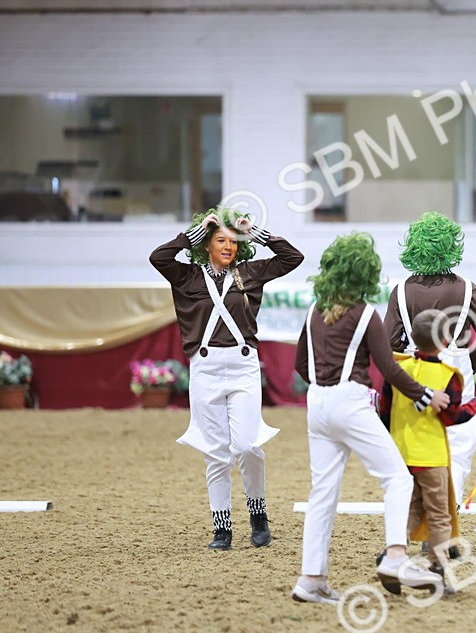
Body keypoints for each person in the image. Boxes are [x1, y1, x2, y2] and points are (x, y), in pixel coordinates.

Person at [292, 232, 446, 604]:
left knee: (322, 494)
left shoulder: (315, 310)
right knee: (396, 477)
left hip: (318, 403)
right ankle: (396, 556)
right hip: (350, 400)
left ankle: (311, 579)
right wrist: (426, 395)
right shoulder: (365, 313)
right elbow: (389, 368)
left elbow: (300, 364)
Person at [149, 208, 302, 550]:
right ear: (207, 245)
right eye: (221, 240)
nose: (228, 246)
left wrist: (254, 231)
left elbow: (293, 257)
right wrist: (196, 232)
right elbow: (158, 257)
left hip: (243, 366)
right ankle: (222, 527)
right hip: (205, 369)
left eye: (233, 242)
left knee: (248, 445)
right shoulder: (186, 277)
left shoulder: (250, 273)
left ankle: (258, 512)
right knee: (216, 453)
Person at [385, 211, 476, 505]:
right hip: (456, 375)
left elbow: (389, 343)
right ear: (451, 246)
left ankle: (416, 512)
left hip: (414, 375)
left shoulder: (400, 291)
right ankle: (446, 516)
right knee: (459, 447)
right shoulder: (468, 288)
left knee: (416, 443)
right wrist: (466, 364)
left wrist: (409, 360)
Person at [390, 310, 476, 575]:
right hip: (432, 457)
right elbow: (452, 416)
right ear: (445, 342)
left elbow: (385, 408)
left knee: (410, 508)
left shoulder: (399, 368)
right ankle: (438, 568)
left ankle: (393, 554)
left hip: (403, 454)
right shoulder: (448, 375)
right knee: (440, 515)